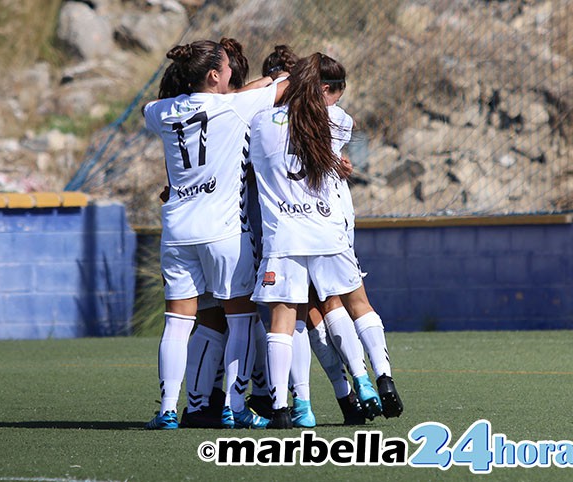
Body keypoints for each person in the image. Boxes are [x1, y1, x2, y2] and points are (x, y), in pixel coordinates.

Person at [250, 52, 402, 429]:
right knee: (357, 303)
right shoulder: (338, 121)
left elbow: (245, 103)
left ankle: (283, 408)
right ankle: (381, 376)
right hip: (327, 233)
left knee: (284, 323)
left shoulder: (259, 122)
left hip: (284, 238)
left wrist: (274, 84)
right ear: (324, 89)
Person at [142, 39, 287, 430]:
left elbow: (154, 110)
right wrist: (268, 81)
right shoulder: (236, 107)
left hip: (176, 232)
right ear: (214, 75)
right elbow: (285, 83)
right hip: (223, 232)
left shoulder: (160, 112)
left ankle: (167, 410)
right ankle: (236, 408)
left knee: (176, 322)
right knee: (240, 320)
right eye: (224, 70)